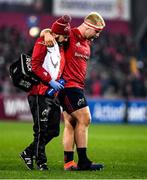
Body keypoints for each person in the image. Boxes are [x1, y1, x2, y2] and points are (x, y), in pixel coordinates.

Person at [41, 12, 106, 171]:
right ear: (89, 26)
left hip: (77, 87)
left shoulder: (86, 41)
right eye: (96, 31)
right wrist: (47, 33)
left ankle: (69, 163)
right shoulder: (70, 34)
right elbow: (49, 32)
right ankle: (83, 161)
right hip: (68, 86)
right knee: (85, 118)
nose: (97, 35)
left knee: (71, 123)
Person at [19, 15, 71, 171]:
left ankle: (28, 152)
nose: (66, 38)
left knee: (54, 130)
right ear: (56, 34)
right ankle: (41, 162)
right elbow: (35, 65)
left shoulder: (60, 46)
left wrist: (59, 81)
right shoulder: (43, 42)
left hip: (52, 93)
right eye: (64, 35)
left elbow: (57, 68)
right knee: (41, 129)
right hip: (39, 92)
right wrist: (50, 80)